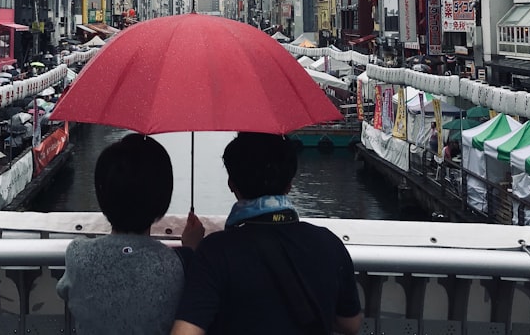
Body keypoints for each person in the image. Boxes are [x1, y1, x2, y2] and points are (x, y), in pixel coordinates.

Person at [172, 133, 362, 335]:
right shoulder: (328, 244)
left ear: (231, 184)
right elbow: (350, 324)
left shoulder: (215, 251)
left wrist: (191, 251)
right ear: (289, 184)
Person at [58, 133, 204, 335]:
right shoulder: (177, 264)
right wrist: (190, 247)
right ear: (161, 199)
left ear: (102, 194)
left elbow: (64, 290)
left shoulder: (78, 255)